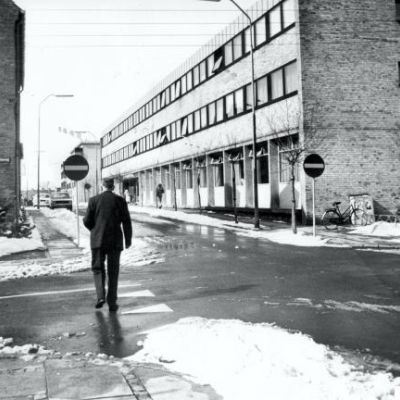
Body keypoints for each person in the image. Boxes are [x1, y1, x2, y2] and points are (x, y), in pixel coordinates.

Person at [83, 178, 132, 312]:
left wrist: (95, 229)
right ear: (113, 187)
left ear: (102, 186)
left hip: (98, 241)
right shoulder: (120, 200)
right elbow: (126, 221)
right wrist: (128, 240)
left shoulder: (93, 200)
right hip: (115, 240)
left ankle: (100, 297)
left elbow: (87, 220)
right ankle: (112, 302)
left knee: (98, 269)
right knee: (113, 271)